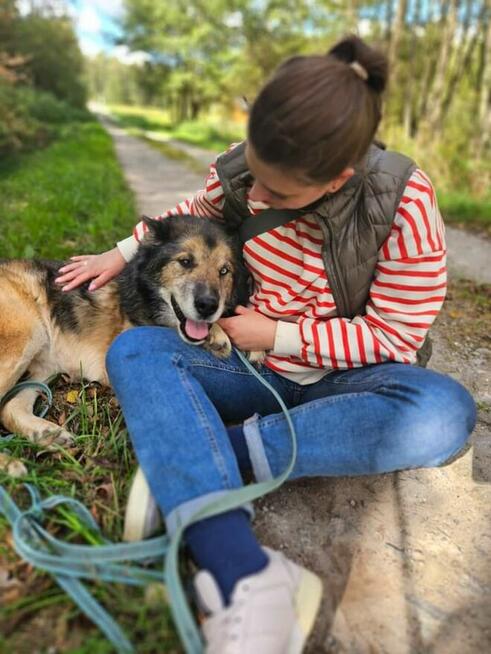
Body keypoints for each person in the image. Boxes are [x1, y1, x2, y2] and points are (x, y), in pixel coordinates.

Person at [55, 35, 476, 653]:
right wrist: (118, 255)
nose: (254, 200)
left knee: (444, 412)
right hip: (239, 365)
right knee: (135, 350)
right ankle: (246, 573)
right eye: (254, 176)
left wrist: (278, 333)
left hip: (341, 378)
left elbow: (396, 333)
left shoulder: (404, 204)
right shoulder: (244, 167)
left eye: (276, 196)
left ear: (337, 179)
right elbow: (187, 213)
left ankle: (211, 456)